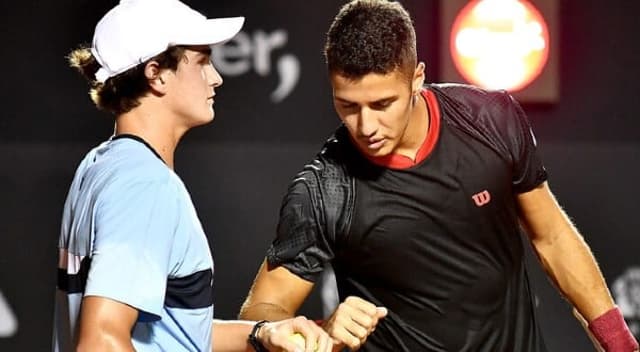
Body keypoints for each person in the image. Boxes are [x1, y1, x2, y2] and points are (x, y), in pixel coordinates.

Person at [238, 0, 639, 351]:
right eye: (348, 106)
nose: (366, 125)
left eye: (382, 103)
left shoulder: (491, 121)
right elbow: (260, 312)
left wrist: (618, 342)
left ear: (417, 78)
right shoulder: (324, 189)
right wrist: (316, 329)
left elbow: (550, 236)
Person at [52, 1, 333, 351]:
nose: (216, 76)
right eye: (202, 61)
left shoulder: (101, 165)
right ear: (157, 74)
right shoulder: (144, 184)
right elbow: (101, 342)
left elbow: (169, 333)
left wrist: (260, 333)